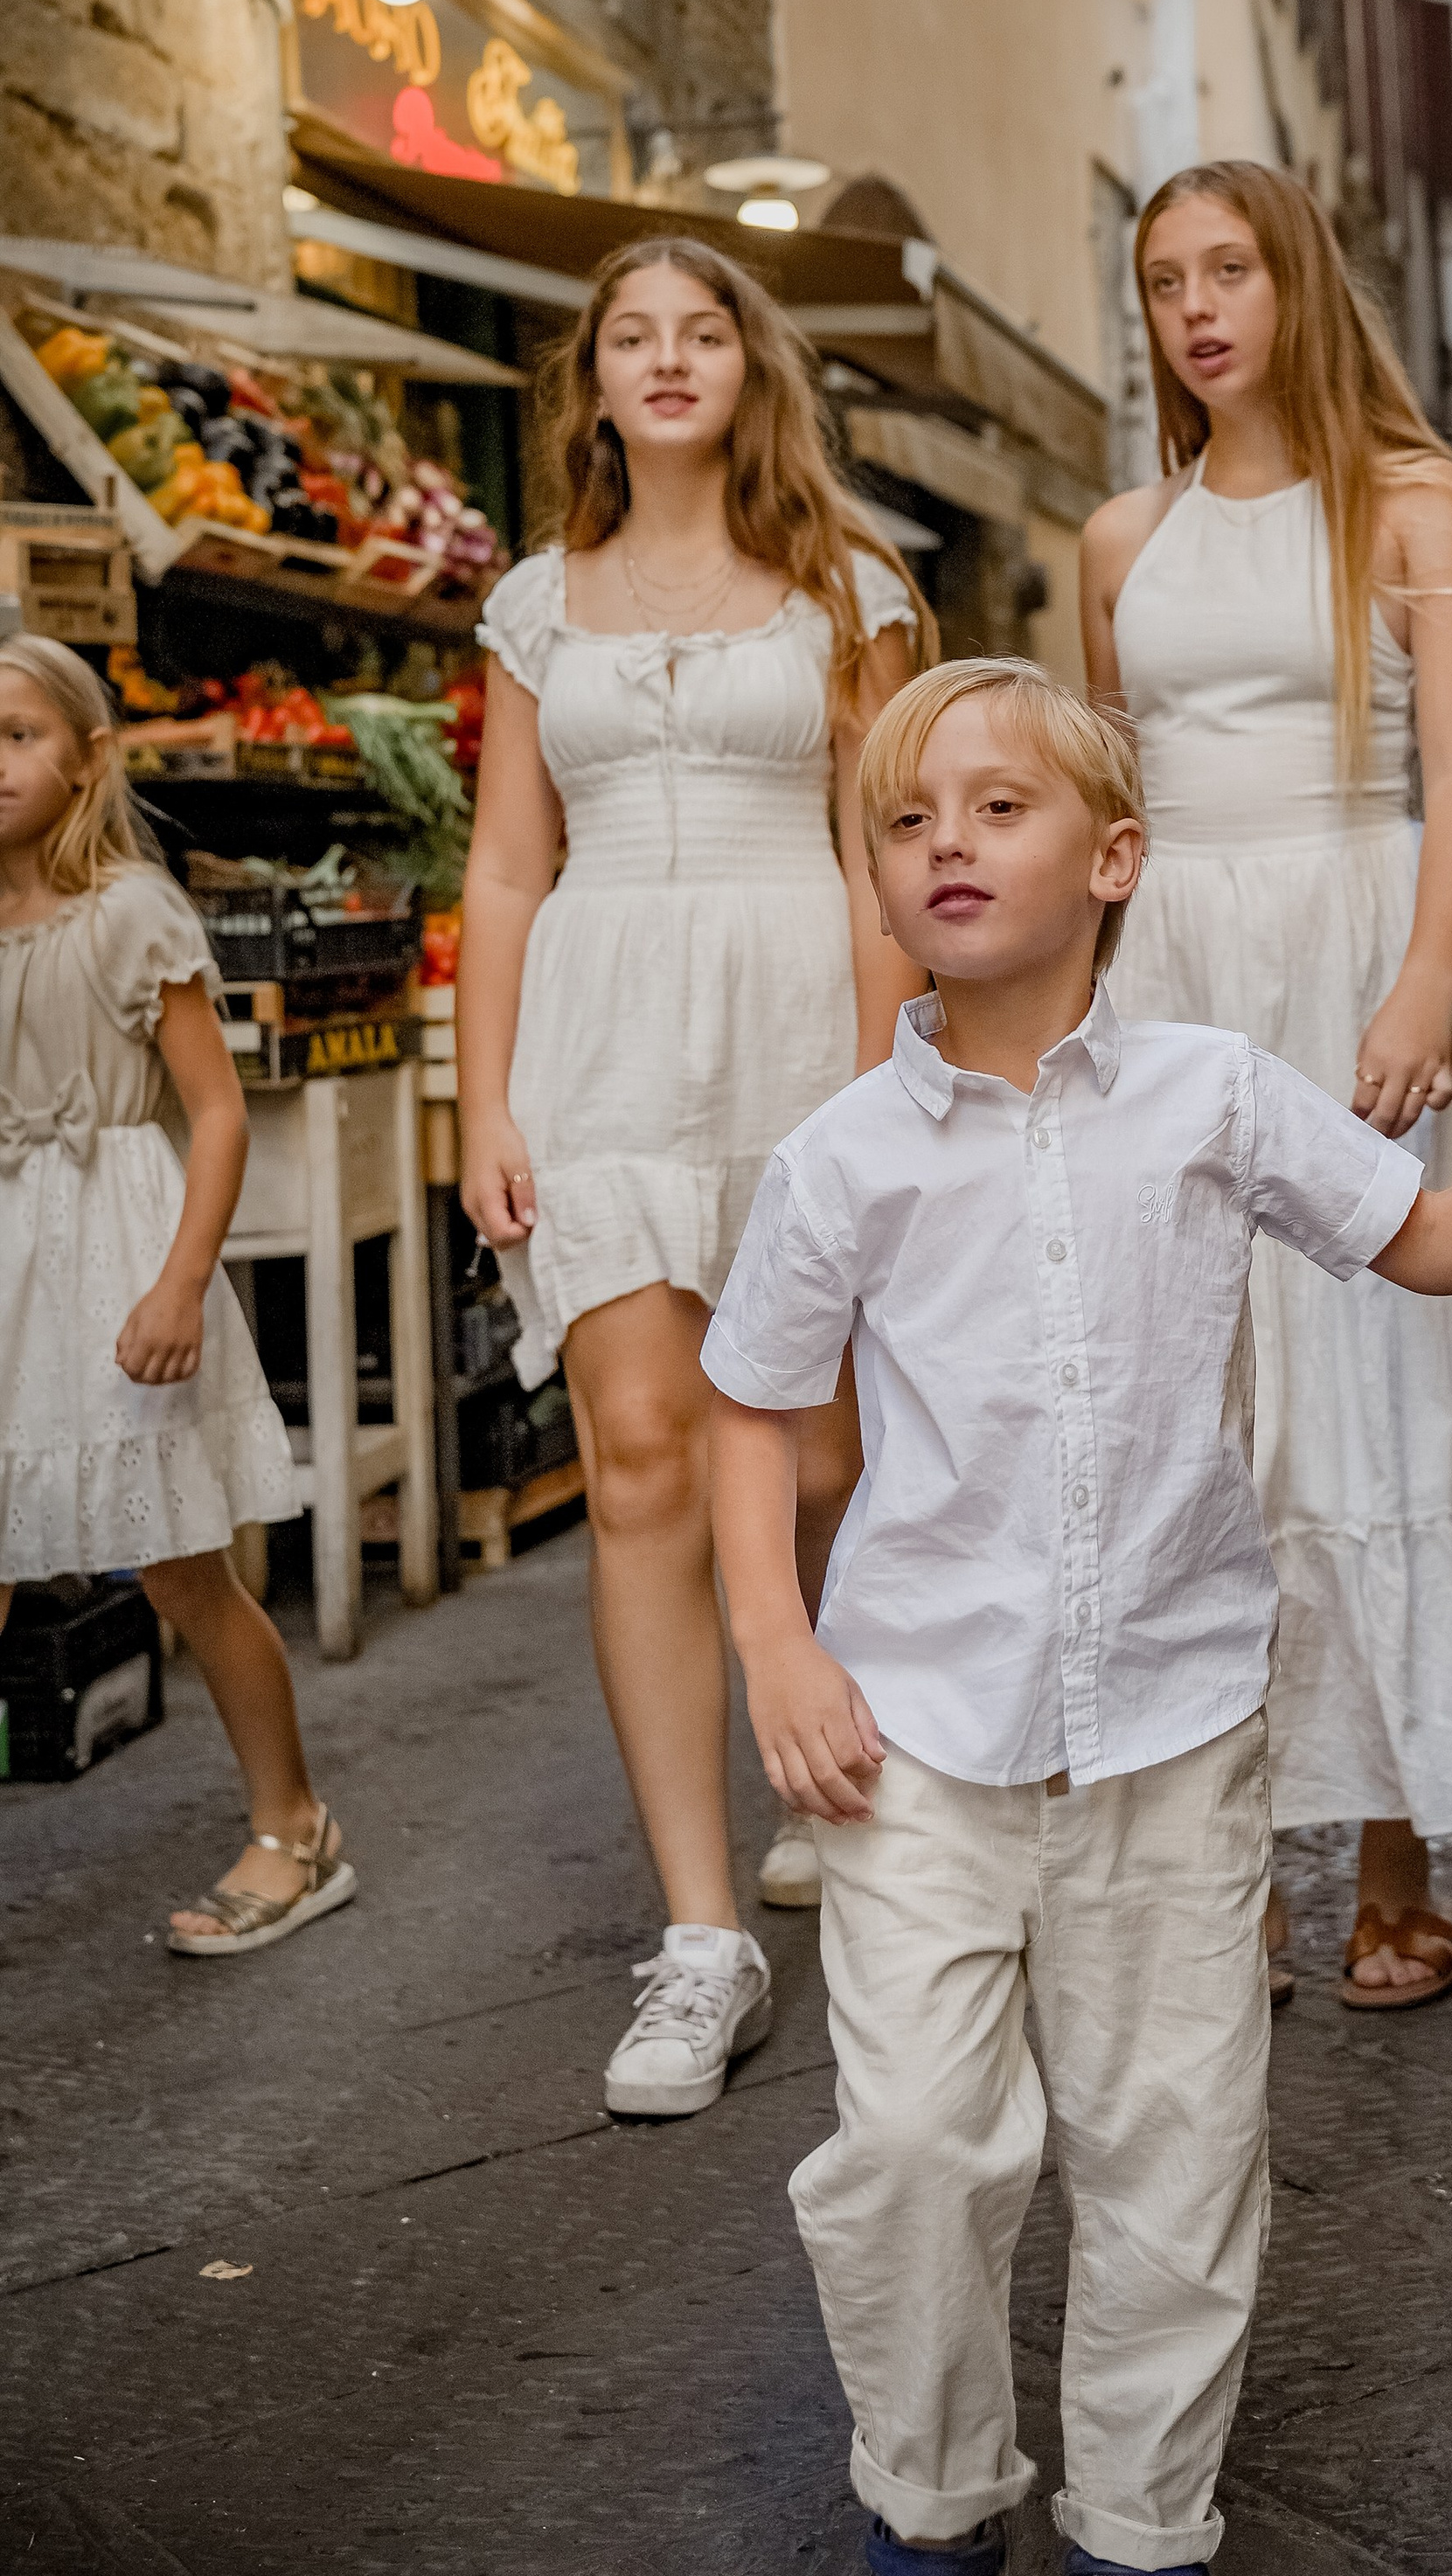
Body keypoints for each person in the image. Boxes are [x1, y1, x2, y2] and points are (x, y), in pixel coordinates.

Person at [701, 656, 1452, 2576]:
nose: (945, 844)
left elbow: (1408, 1236)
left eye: (997, 806)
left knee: (1170, 2157)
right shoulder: (841, 1157)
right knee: (908, 2153)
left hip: (1168, 1726)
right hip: (911, 1738)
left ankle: (1143, 2525)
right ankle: (930, 2498)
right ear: (874, 884)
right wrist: (774, 1642)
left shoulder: (1208, 1096)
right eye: (905, 820)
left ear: (1116, 856)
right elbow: (750, 1401)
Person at [1080, 160, 1452, 2011]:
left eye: (1230, 270)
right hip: (1176, 989)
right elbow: (1108, 812)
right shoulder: (1116, 544)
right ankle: (1232, 1849)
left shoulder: (1409, 507)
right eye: (1164, 282)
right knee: (1205, 1405)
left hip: (1360, 948)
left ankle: (1393, 1850)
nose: (1199, 309)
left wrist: (1418, 981)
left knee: (1392, 1378)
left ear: (1298, 285)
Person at [459, 236, 927, 2119]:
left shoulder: (844, 586)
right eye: (628, 338)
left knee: (822, 1452)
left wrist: (884, 1081)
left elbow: (884, 840)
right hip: (597, 1048)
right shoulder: (528, 606)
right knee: (641, 1458)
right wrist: (485, 1103)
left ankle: (830, 1746)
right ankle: (701, 1934)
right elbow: (503, 867)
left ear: (750, 368)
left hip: (797, 1034)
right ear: (590, 382)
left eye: (699, 331)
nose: (665, 360)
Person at [0, 637, 350, 1954]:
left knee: (182, 1571)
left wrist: (182, 1283)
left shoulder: (134, 913)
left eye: (23, 733)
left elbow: (215, 1118)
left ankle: (294, 1824)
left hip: (120, 1251)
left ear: (91, 759)